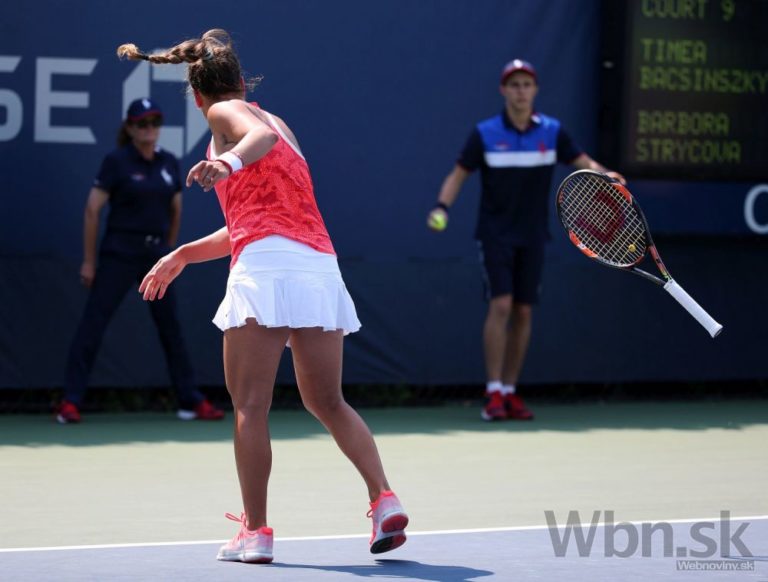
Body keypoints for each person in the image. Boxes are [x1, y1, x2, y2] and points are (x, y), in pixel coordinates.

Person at [117, 29, 408, 563]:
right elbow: (252, 220)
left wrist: (225, 163)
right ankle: (383, 498)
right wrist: (183, 254)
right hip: (317, 267)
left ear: (199, 96)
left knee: (250, 407)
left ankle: (255, 532)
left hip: (268, 268)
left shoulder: (226, 114)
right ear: (241, 82)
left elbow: (256, 140)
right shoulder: (281, 124)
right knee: (328, 401)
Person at [427, 59, 625, 422]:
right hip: (495, 235)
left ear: (535, 90)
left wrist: (605, 175)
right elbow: (457, 176)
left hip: (533, 235)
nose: (521, 91)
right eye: (514, 85)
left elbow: (584, 162)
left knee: (523, 310)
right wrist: (442, 207)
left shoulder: (552, 131)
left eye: (526, 85)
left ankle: (510, 391)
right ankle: (493, 392)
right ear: (503, 90)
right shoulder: (485, 133)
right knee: (501, 305)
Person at [56, 98, 224, 424]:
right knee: (93, 326)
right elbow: (92, 210)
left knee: (171, 330)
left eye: (155, 122)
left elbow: (175, 209)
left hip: (154, 256)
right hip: (119, 254)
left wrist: (168, 251)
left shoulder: (168, 162)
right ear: (130, 128)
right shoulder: (116, 162)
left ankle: (190, 401)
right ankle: (70, 402)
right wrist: (89, 261)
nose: (150, 129)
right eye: (142, 123)